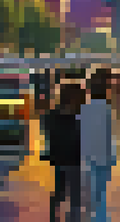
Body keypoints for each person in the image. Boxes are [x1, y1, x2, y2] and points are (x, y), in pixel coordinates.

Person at [41, 82, 84, 222]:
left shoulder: (77, 115)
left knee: (71, 194)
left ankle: (67, 216)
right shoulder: (58, 116)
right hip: (67, 159)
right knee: (64, 192)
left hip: (71, 159)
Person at [79, 69, 116, 222]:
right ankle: (99, 216)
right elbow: (107, 135)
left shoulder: (84, 108)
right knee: (100, 193)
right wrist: (111, 157)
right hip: (102, 156)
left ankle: (91, 214)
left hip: (87, 156)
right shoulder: (106, 109)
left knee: (89, 192)